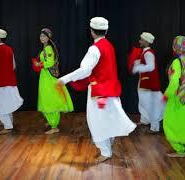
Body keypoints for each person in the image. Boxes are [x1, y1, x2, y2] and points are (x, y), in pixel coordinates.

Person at [57, 17, 136, 163]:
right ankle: (108, 145)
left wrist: (65, 79)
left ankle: (106, 152)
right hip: (111, 90)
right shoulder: (109, 45)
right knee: (109, 118)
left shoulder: (95, 49)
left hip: (99, 93)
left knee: (97, 121)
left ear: (92, 32)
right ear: (105, 30)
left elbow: (85, 70)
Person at [32, 28, 73, 135]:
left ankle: (54, 125)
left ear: (48, 38)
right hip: (45, 76)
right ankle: (51, 121)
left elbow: (49, 63)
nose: (42, 38)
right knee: (47, 98)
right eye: (41, 36)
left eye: (44, 36)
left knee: (50, 99)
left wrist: (39, 64)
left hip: (48, 77)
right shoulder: (45, 48)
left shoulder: (48, 48)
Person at [131, 32, 165, 133]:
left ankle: (155, 127)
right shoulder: (144, 52)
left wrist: (138, 67)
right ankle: (145, 120)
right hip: (144, 83)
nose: (139, 41)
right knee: (143, 103)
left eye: (141, 40)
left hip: (149, 84)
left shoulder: (148, 53)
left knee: (150, 105)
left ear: (146, 41)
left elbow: (151, 67)